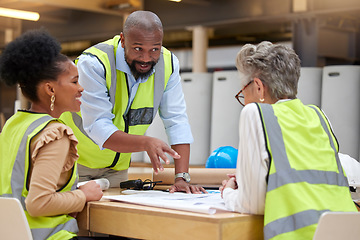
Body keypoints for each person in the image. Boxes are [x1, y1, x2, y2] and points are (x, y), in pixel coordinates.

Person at [219, 41, 357, 239]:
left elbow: (252, 205)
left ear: (258, 87)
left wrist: (229, 193)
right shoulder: (318, 116)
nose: (244, 101)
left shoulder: (255, 113)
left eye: (243, 92)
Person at [60, 10, 205, 193]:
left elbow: (176, 120)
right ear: (122, 40)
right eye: (138, 49)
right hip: (75, 163)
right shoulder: (94, 63)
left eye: (154, 49)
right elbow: (98, 126)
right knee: (71, 218)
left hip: (116, 170)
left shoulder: (168, 64)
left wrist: (181, 177)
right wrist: (145, 142)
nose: (146, 58)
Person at [0, 29, 105, 240]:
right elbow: (38, 203)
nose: (81, 88)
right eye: (74, 81)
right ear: (51, 89)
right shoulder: (55, 133)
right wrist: (83, 195)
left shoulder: (14, 124)